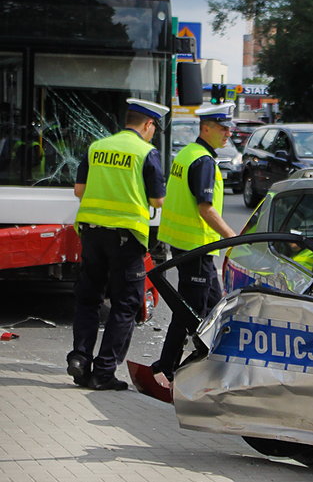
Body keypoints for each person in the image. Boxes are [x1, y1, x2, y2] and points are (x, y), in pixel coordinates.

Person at [66, 98, 170, 390]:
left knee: (88, 299)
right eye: (154, 129)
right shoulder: (146, 152)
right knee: (126, 305)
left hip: (90, 233)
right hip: (126, 239)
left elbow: (79, 191)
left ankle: (80, 358)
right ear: (148, 125)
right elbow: (157, 200)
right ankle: (104, 372)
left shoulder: (97, 147)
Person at [151, 103, 238, 382]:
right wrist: (233, 238)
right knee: (189, 312)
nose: (228, 134)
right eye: (223, 128)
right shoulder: (202, 161)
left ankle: (217, 365)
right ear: (206, 128)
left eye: (229, 129)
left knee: (215, 308)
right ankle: (166, 368)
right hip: (196, 248)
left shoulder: (188, 154)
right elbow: (205, 208)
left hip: (190, 247)